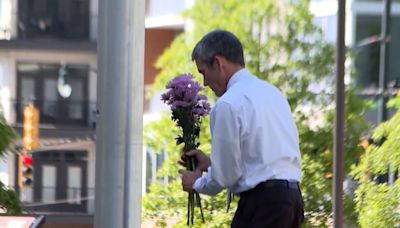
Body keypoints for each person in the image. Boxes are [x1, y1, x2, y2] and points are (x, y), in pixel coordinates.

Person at [179, 29, 304, 227]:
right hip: (291, 201)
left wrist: (195, 183)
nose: (204, 82)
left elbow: (227, 176)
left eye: (204, 72)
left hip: (262, 205)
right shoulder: (273, 93)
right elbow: (261, 160)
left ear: (219, 63)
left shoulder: (228, 104)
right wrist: (213, 164)